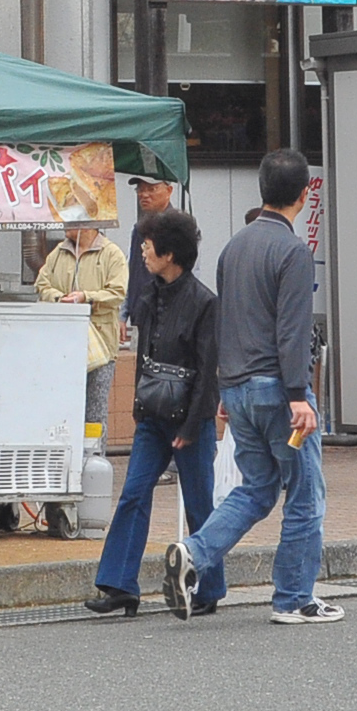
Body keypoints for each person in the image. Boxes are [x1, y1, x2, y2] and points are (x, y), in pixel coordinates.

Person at [162, 148, 337, 625]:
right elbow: (293, 330)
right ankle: (294, 598)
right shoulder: (294, 252)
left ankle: (194, 551)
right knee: (305, 494)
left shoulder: (233, 249)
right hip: (280, 392)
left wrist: (222, 390)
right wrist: (299, 395)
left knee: (257, 490)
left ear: (262, 191)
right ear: (304, 195)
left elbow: (224, 323)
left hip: (236, 389)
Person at [87, 210, 221, 616]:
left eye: (149, 244)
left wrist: (194, 423)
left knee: (199, 503)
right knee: (133, 493)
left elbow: (207, 369)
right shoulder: (148, 296)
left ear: (170, 253)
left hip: (189, 422)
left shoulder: (204, 303)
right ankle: (119, 585)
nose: (143, 250)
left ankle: (209, 588)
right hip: (152, 417)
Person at [32, 215, 128, 526]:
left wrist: (87, 297)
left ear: (89, 223)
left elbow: (118, 292)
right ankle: (59, 486)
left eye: (71, 219)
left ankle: (91, 483)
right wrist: (58, 298)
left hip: (100, 347)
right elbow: (41, 283)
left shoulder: (110, 253)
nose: (64, 225)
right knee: (60, 413)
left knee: (94, 415)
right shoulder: (58, 252)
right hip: (62, 348)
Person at [121, 178, 181, 336]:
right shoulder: (138, 230)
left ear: (169, 191)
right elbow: (131, 272)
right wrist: (123, 314)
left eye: (151, 189)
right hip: (139, 316)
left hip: (167, 318)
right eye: (140, 190)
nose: (144, 194)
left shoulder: (179, 228)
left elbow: (189, 273)